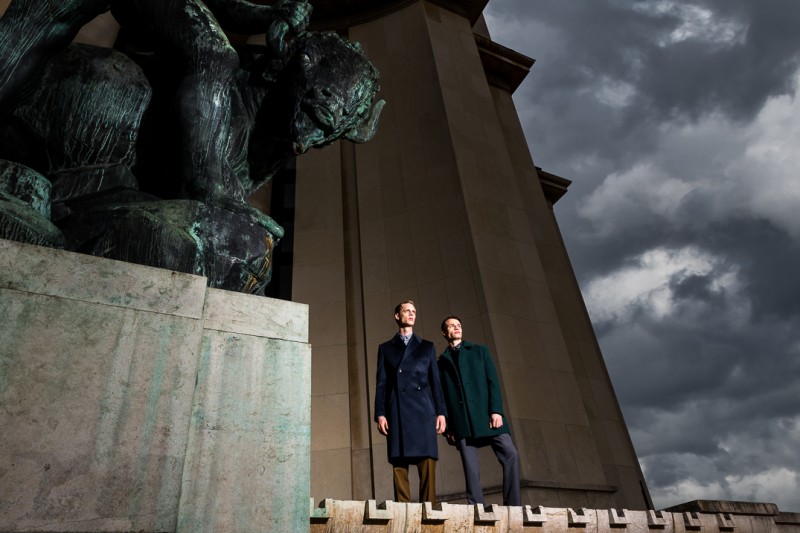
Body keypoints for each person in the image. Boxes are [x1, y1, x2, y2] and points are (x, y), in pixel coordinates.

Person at [438, 315, 521, 506]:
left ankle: (513, 504)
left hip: (487, 415)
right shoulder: (441, 362)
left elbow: (493, 381)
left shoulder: (480, 351)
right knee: (470, 467)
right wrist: (449, 426)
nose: (456, 328)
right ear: (444, 332)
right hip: (462, 421)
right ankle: (476, 506)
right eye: (451, 326)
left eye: (458, 325)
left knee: (511, 454)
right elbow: (442, 397)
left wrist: (496, 410)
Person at [374, 300, 447, 503]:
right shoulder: (386, 348)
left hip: (424, 411)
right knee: (399, 463)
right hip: (397, 410)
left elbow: (436, 383)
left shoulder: (427, 347)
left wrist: (441, 412)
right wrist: (380, 413)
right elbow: (381, 384)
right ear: (398, 316)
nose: (411, 314)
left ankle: (429, 515)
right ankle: (402, 515)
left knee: (427, 464)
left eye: (414, 311)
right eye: (407, 311)